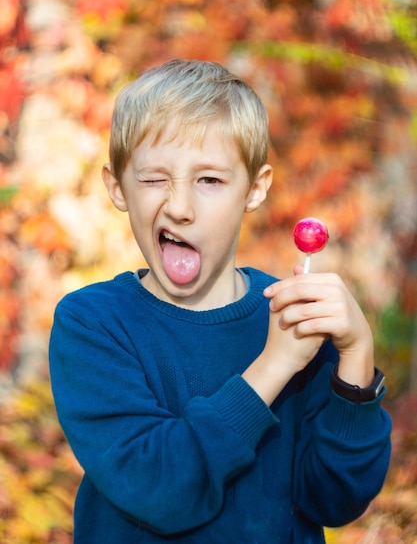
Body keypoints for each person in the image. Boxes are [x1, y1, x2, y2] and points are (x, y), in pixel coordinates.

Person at [49, 59, 391, 544]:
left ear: (254, 189)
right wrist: (274, 366)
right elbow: (158, 487)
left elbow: (335, 500)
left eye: (209, 180)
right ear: (116, 187)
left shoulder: (294, 319)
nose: (180, 207)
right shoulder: (94, 324)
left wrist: (356, 360)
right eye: (153, 179)